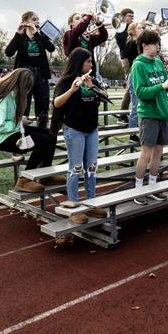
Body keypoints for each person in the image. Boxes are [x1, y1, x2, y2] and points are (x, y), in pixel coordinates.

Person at [51, 48, 108, 224]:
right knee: (76, 167)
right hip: (74, 129)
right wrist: (72, 90)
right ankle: (74, 205)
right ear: (79, 62)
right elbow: (56, 102)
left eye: (91, 62)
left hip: (91, 129)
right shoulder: (67, 81)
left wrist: (92, 87)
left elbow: (105, 97)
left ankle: (91, 202)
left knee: (92, 166)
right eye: (88, 62)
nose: (91, 65)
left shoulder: (93, 80)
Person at [0, 68, 58, 193]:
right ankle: (24, 180)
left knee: (50, 134)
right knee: (44, 141)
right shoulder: (2, 98)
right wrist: (19, 123)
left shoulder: (11, 95)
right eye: (28, 88)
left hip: (10, 131)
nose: (28, 91)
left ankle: (46, 174)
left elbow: (8, 119)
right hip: (1, 138)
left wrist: (20, 120)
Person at [131, 30, 168, 205]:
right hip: (148, 114)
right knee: (146, 153)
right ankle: (138, 189)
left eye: (159, 44)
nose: (158, 47)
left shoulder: (159, 63)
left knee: (159, 151)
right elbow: (141, 92)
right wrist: (161, 85)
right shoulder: (138, 65)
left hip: (161, 112)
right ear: (144, 45)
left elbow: (163, 88)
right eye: (155, 44)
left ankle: (152, 186)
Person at [4, 11, 55, 129]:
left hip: (41, 74)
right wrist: (17, 33)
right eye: (34, 19)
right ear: (26, 22)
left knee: (42, 105)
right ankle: (23, 132)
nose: (37, 21)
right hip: (24, 74)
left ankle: (42, 131)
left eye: (38, 19)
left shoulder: (41, 35)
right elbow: (8, 52)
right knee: (23, 105)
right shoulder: (20, 37)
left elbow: (51, 48)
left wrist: (37, 34)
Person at [62, 11, 108, 76]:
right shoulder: (69, 34)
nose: (81, 20)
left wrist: (99, 24)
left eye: (82, 18)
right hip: (75, 71)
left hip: (89, 71)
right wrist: (88, 17)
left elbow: (103, 37)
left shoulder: (88, 36)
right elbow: (78, 31)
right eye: (77, 18)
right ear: (71, 23)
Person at [114, 8, 136, 122]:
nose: (132, 18)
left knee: (131, 87)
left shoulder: (131, 28)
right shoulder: (120, 29)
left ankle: (125, 114)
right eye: (129, 16)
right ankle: (122, 114)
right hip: (127, 59)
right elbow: (124, 43)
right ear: (123, 17)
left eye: (133, 16)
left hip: (135, 58)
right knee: (130, 86)